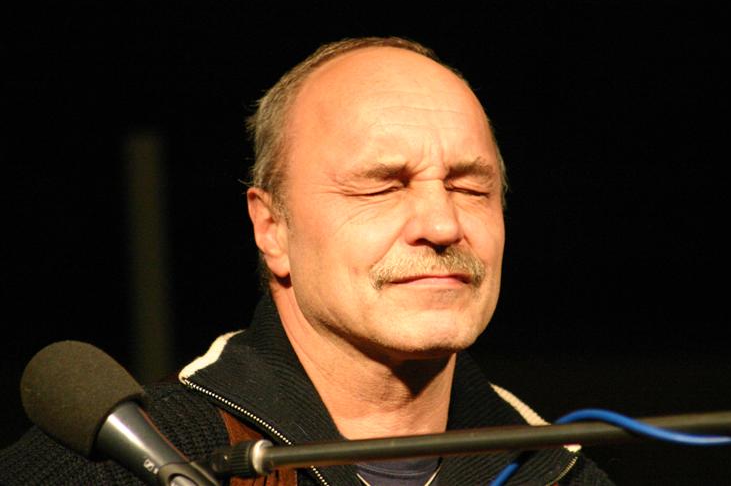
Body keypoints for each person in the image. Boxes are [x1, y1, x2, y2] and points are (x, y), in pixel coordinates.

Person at [0, 37, 613, 485]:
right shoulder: (116, 465)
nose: (442, 224)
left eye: (470, 187)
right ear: (272, 228)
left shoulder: (564, 473)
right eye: (382, 186)